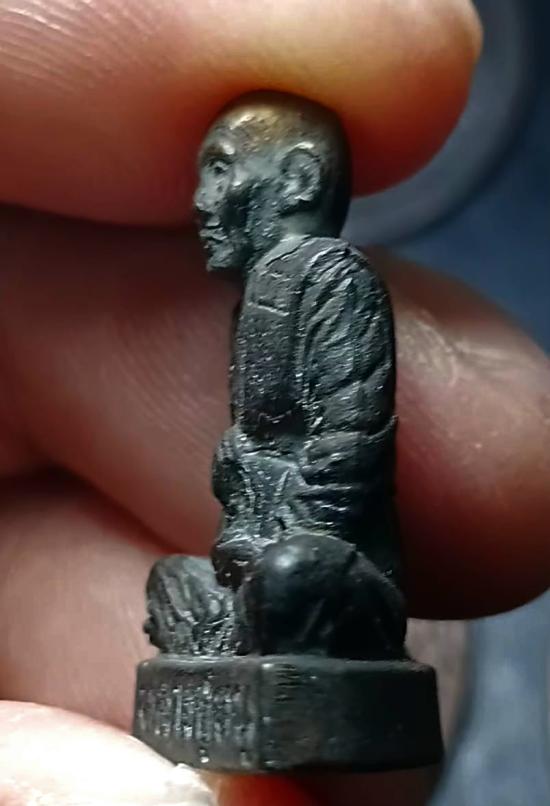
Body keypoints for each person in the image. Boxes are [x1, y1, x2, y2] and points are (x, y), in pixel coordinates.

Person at [0, 1, 547, 805]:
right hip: (258, 549)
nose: (201, 199)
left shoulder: (334, 282)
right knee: (171, 585)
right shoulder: (253, 303)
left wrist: (264, 511)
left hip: (328, 566)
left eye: (221, 170)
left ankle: (277, 625)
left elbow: (349, 455)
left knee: (291, 578)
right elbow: (245, 455)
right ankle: (253, 623)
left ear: (296, 180)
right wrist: (243, 501)